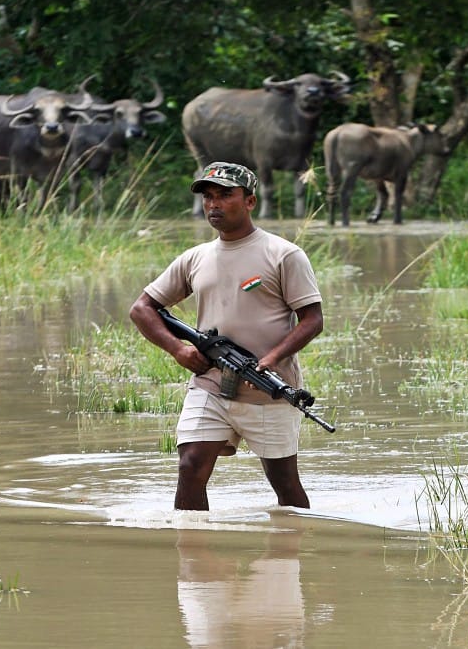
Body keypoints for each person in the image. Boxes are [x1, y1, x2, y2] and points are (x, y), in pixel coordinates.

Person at [130, 161, 324, 511]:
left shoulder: (283, 254)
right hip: (210, 384)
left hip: (269, 388)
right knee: (190, 467)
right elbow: (142, 308)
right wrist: (177, 349)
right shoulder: (194, 258)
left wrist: (269, 361)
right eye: (208, 197)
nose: (214, 204)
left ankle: (294, 553)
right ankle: (193, 557)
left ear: (250, 201)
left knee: (284, 483)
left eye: (225, 195)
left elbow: (312, 320)